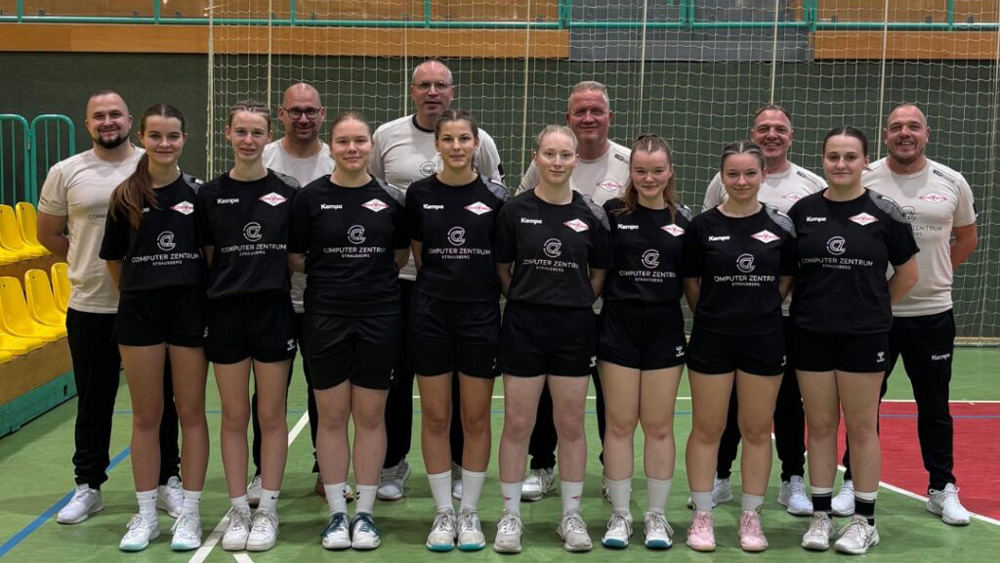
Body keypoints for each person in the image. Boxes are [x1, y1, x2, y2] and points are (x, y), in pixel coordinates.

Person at [38, 90, 183, 526]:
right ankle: (88, 486)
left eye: (115, 114)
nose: (108, 121)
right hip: (90, 305)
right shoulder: (66, 171)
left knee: (161, 402)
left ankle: (167, 480)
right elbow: (48, 234)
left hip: (150, 307)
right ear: (87, 124)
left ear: (130, 122)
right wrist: (87, 262)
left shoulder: (153, 164)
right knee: (93, 400)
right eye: (98, 116)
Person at [833, 105, 977, 526]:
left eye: (913, 126)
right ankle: (852, 481)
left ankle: (941, 487)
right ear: (885, 135)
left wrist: (933, 274)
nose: (905, 133)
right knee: (864, 405)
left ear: (926, 133)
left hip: (932, 314)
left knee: (934, 405)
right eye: (896, 127)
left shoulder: (952, 181)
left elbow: (966, 238)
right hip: (874, 317)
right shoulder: (864, 177)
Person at [370, 59, 503, 501]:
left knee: (471, 403)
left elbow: (499, 243)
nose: (457, 145)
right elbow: (415, 245)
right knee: (410, 389)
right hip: (417, 291)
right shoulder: (392, 147)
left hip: (476, 302)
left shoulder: (492, 183)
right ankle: (397, 466)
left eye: (464, 138)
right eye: (423, 84)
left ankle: (464, 478)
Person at [788, 126, 919, 555]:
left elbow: (908, 274)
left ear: (865, 161)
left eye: (850, 157)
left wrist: (873, 308)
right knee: (820, 425)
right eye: (833, 157)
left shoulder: (885, 212)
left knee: (862, 428)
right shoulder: (803, 212)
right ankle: (822, 515)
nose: (841, 164)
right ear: (823, 160)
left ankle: (865, 521)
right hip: (811, 333)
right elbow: (790, 274)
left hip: (865, 335)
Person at [288, 112, 408, 551]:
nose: (352, 149)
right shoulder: (309, 198)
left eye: (360, 141)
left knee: (371, 416)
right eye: (343, 141)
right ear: (332, 147)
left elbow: (399, 256)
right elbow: (296, 257)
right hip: (325, 317)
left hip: (379, 317)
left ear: (371, 146)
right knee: (333, 416)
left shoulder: (392, 199)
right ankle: (338, 512)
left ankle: (366, 514)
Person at [699, 105, 825, 515]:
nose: (772, 134)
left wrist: (773, 299)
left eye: (779, 129)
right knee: (729, 404)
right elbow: (706, 240)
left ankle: (792, 479)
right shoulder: (721, 185)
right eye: (764, 128)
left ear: (791, 136)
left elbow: (797, 261)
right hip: (729, 317)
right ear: (753, 134)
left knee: (788, 401)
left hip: (784, 317)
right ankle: (720, 477)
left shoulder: (811, 184)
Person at [492, 125, 612, 554]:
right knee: (517, 424)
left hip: (574, 329)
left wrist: (572, 301)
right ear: (536, 157)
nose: (557, 162)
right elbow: (503, 269)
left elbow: (599, 274)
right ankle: (510, 517)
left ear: (576, 159)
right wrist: (529, 298)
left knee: (571, 424)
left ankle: (571, 517)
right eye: (549, 154)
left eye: (565, 154)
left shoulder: (591, 214)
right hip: (524, 326)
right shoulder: (514, 210)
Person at [99, 104, 209, 552]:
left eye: (173, 136)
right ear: (142, 138)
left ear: (185, 140)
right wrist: (143, 290)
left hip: (188, 312)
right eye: (157, 135)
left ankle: (191, 513)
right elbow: (114, 262)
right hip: (140, 314)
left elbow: (209, 256)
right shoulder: (124, 196)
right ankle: (146, 514)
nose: (165, 143)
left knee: (192, 413)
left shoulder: (199, 195)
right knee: (146, 416)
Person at [516, 80, 630, 502]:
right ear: (568, 118)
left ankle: (609, 469)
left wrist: (590, 294)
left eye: (596, 111)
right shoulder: (547, 161)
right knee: (547, 394)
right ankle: (542, 465)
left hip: (609, 303)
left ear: (609, 117)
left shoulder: (628, 163)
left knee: (607, 395)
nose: (588, 118)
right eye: (580, 111)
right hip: (552, 305)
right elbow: (521, 219)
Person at [682, 141, 796, 552]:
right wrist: (716, 314)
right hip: (712, 338)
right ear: (722, 177)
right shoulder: (702, 226)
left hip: (763, 339)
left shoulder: (781, 226)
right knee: (707, 428)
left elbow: (785, 280)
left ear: (764, 175)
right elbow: (691, 282)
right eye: (733, 174)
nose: (742, 181)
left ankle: (751, 517)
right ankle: (702, 516)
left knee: (756, 430)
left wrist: (757, 311)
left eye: (750, 173)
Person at [195, 101, 298, 552]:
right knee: (234, 415)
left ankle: (268, 508)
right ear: (227, 134)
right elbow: (208, 256)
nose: (249, 140)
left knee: (271, 415)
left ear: (269, 136)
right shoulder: (209, 195)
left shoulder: (288, 191)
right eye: (241, 131)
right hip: (226, 315)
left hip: (273, 312)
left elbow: (295, 255)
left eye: (257, 132)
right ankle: (239, 508)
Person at [405, 110, 508, 552]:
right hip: (430, 315)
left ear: (476, 144)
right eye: (448, 139)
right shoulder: (419, 194)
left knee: (475, 418)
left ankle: (470, 512)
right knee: (436, 417)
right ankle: (444, 511)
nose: (456, 147)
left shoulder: (496, 198)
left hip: (480, 317)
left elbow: (502, 261)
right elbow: (419, 255)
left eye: (464, 139)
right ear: (437, 145)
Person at [247, 82, 339, 504]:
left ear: (322, 115)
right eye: (295, 111)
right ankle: (263, 472)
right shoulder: (262, 157)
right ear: (281, 115)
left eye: (311, 111)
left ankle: (327, 470)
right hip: (273, 299)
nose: (303, 118)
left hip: (324, 299)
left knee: (325, 390)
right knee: (268, 395)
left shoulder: (337, 158)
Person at [598, 134, 690, 550]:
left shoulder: (685, 220)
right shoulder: (612, 214)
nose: (648, 178)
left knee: (658, 426)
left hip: (664, 330)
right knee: (619, 424)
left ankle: (656, 516)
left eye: (657, 170)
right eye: (640, 170)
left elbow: (690, 281)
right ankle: (620, 514)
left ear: (670, 172)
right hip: (618, 328)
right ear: (630, 172)